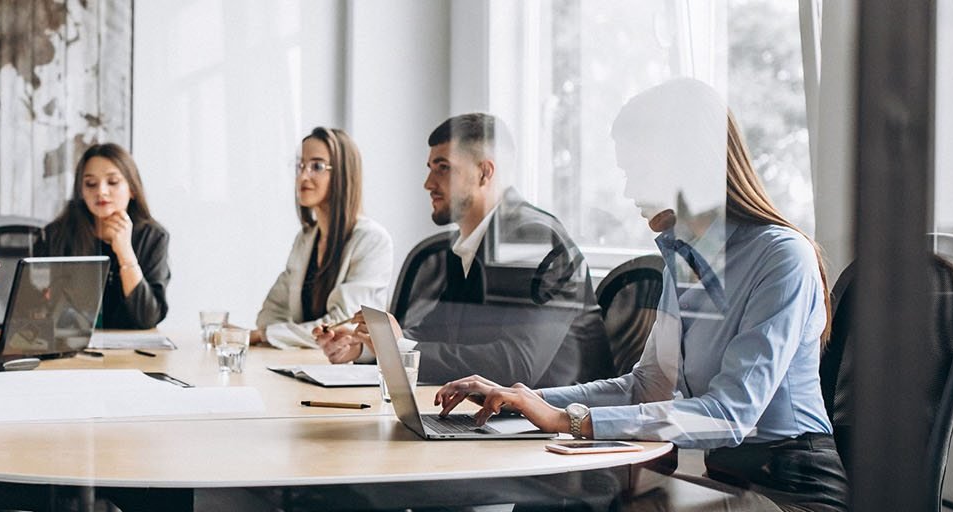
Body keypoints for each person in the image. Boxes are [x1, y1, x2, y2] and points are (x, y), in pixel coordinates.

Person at [433, 79, 847, 511]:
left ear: (686, 164)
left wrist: (569, 420)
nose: (630, 192)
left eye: (638, 172)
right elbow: (647, 385)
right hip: (726, 482)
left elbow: (729, 414)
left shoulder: (781, 257)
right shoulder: (685, 260)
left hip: (792, 492)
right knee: (555, 502)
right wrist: (523, 399)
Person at [316, 113, 598, 387]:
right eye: (430, 168)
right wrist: (368, 346)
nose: (428, 183)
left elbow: (517, 366)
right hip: (493, 413)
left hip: (556, 421)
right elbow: (437, 333)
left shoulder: (531, 239)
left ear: (484, 173)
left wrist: (399, 347)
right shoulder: (470, 242)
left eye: (443, 168)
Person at [253, 127, 393, 349]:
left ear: (343, 174)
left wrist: (267, 335)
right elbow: (270, 314)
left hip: (344, 370)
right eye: (300, 166)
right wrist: (270, 333)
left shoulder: (372, 240)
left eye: (316, 166)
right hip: (303, 362)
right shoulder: (306, 238)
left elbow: (342, 325)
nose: (303, 176)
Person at [35, 143, 170, 329]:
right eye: (90, 184)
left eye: (113, 182)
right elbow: (37, 309)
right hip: (70, 346)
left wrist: (126, 254)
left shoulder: (153, 237)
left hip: (132, 351)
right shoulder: (56, 234)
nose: (101, 191)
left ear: (132, 189)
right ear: (81, 191)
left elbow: (147, 317)